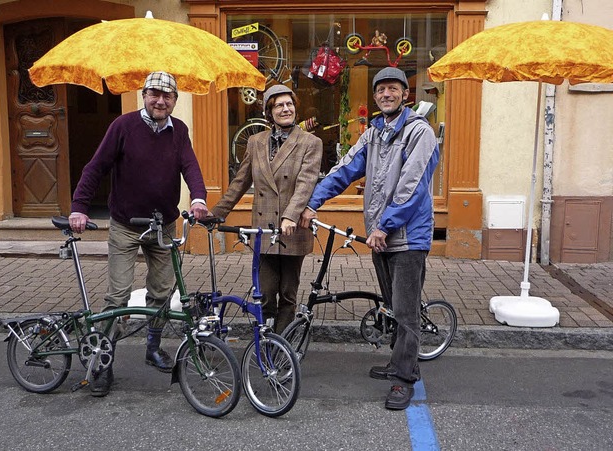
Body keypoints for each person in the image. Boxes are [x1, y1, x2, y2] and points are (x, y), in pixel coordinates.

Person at [300, 67, 439, 410]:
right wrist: (311, 202)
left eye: (393, 89)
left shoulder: (420, 133)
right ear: (375, 96)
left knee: (405, 313)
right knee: (392, 306)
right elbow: (345, 169)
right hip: (381, 235)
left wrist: (384, 226)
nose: (386, 94)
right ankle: (397, 361)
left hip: (407, 237)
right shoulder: (374, 133)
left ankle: (404, 380)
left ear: (405, 94)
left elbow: (411, 186)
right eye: (381, 90)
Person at [68, 71, 209, 397]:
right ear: (144, 95)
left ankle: (153, 347)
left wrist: (199, 197)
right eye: (154, 94)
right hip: (125, 226)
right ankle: (103, 361)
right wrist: (79, 206)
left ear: (174, 100)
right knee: (117, 297)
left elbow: (190, 167)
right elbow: (96, 166)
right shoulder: (123, 126)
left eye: (167, 96)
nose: (160, 101)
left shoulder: (179, 131)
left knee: (161, 293)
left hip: (163, 226)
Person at [211, 84, 322, 334]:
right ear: (269, 112)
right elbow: (241, 181)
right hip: (263, 229)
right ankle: (267, 335)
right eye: (279, 105)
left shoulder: (310, 142)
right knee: (266, 291)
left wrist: (290, 216)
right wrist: (217, 213)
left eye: (290, 104)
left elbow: (305, 183)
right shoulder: (255, 141)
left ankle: (282, 344)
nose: (286, 109)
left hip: (291, 229)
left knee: (287, 292)